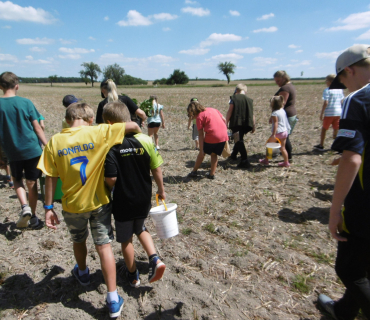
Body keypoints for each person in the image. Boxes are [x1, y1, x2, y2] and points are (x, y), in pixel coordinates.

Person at [37, 102, 141, 318]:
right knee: (104, 246)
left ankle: (83, 274)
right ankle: (113, 299)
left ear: (67, 120)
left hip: (72, 206)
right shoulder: (100, 132)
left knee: (79, 240)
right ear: (91, 119)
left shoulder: (55, 141)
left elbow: (50, 177)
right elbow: (134, 126)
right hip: (99, 203)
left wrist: (48, 207)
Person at [317, 44, 370, 320]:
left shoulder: (358, 99)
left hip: (364, 204)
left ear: (349, 70)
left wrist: (335, 211)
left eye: (344, 80)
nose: (345, 87)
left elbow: (352, 159)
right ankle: (343, 310)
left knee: (348, 269)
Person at [103, 101, 166, 287]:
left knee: (126, 239)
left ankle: (133, 275)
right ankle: (154, 259)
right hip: (143, 198)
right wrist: (161, 190)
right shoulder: (146, 140)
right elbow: (157, 169)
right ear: (128, 118)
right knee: (141, 227)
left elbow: (112, 179)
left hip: (123, 201)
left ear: (108, 124)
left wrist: (105, 185)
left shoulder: (111, 145)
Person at [0, 72, 47, 228]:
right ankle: (33, 217)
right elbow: (37, 128)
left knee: (17, 179)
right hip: (32, 149)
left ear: (1, 87)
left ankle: (24, 206)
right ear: (17, 85)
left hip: (12, 151)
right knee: (32, 183)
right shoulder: (26, 103)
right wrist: (47, 144)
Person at [187, 101, 228, 179]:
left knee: (201, 154)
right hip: (223, 136)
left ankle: (194, 171)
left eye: (190, 114)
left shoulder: (199, 117)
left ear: (193, 112)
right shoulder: (213, 109)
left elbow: (201, 134)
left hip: (213, 136)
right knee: (214, 154)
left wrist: (201, 149)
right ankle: (212, 174)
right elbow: (224, 120)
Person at [225, 84, 255, 168]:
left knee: (238, 140)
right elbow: (252, 114)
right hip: (247, 124)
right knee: (238, 138)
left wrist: (226, 122)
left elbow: (230, 111)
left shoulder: (233, 98)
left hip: (237, 123)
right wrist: (254, 125)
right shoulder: (249, 100)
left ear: (236, 90)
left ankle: (244, 160)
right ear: (245, 91)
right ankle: (234, 155)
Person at [313, 74, 345, 151]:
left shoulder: (327, 90)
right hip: (338, 112)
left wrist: (322, 113)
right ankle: (337, 145)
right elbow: (342, 102)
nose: (326, 82)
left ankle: (321, 145)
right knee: (336, 128)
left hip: (329, 113)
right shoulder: (340, 90)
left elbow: (326, 102)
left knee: (324, 129)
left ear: (330, 82)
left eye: (326, 81)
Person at [259, 96, 291, 167]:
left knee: (269, 147)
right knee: (283, 148)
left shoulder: (275, 113)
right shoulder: (282, 110)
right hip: (284, 131)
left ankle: (266, 160)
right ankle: (286, 162)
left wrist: (273, 134)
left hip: (278, 133)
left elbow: (276, 123)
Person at [274, 70, 297, 161]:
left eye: (278, 81)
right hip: (290, 114)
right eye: (275, 81)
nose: (277, 83)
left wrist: (275, 116)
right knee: (284, 136)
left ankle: (289, 156)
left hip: (286, 115)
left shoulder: (285, 89)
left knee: (283, 136)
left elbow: (281, 104)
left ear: (284, 78)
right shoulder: (290, 86)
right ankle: (283, 154)